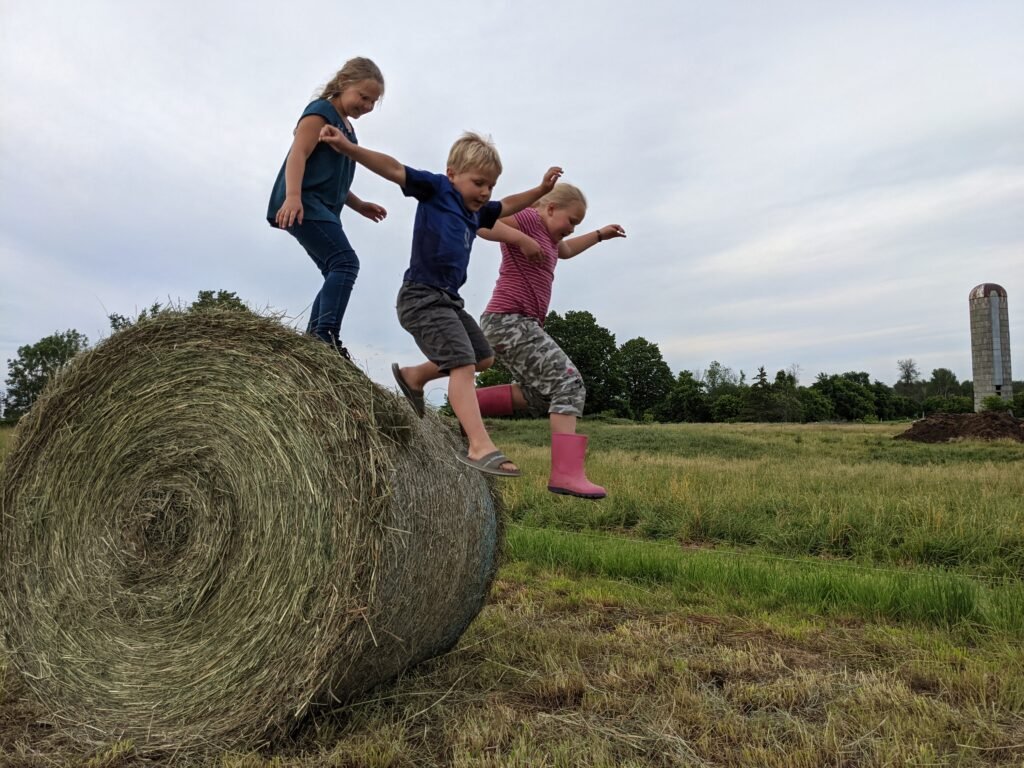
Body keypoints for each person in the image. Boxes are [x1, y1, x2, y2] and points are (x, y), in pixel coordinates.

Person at [318, 125, 561, 476]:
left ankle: (414, 376)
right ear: (453, 175)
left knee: (483, 357)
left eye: (490, 185)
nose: (485, 191)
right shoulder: (436, 189)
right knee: (462, 365)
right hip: (421, 296)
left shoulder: (475, 212)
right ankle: (479, 446)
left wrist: (541, 189)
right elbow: (393, 168)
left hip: (449, 300)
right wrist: (348, 148)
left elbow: (507, 205)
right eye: (478, 182)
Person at [475, 183, 626, 498]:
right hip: (509, 319)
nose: (571, 229)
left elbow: (567, 251)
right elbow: (483, 224)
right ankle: (566, 474)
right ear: (550, 208)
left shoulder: (555, 240)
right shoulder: (531, 219)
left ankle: (470, 406)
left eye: (577, 225)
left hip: (516, 323)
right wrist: (521, 239)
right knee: (569, 383)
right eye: (571, 221)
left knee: (542, 395)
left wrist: (599, 235)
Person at [267, 57, 387, 359]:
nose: (368, 105)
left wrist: (358, 204)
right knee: (346, 263)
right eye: (363, 97)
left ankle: (313, 344)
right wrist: (293, 196)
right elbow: (299, 154)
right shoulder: (320, 112)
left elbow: (332, 176)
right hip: (303, 203)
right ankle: (324, 335)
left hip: (322, 206)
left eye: (373, 101)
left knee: (336, 268)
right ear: (344, 83)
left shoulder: (347, 130)